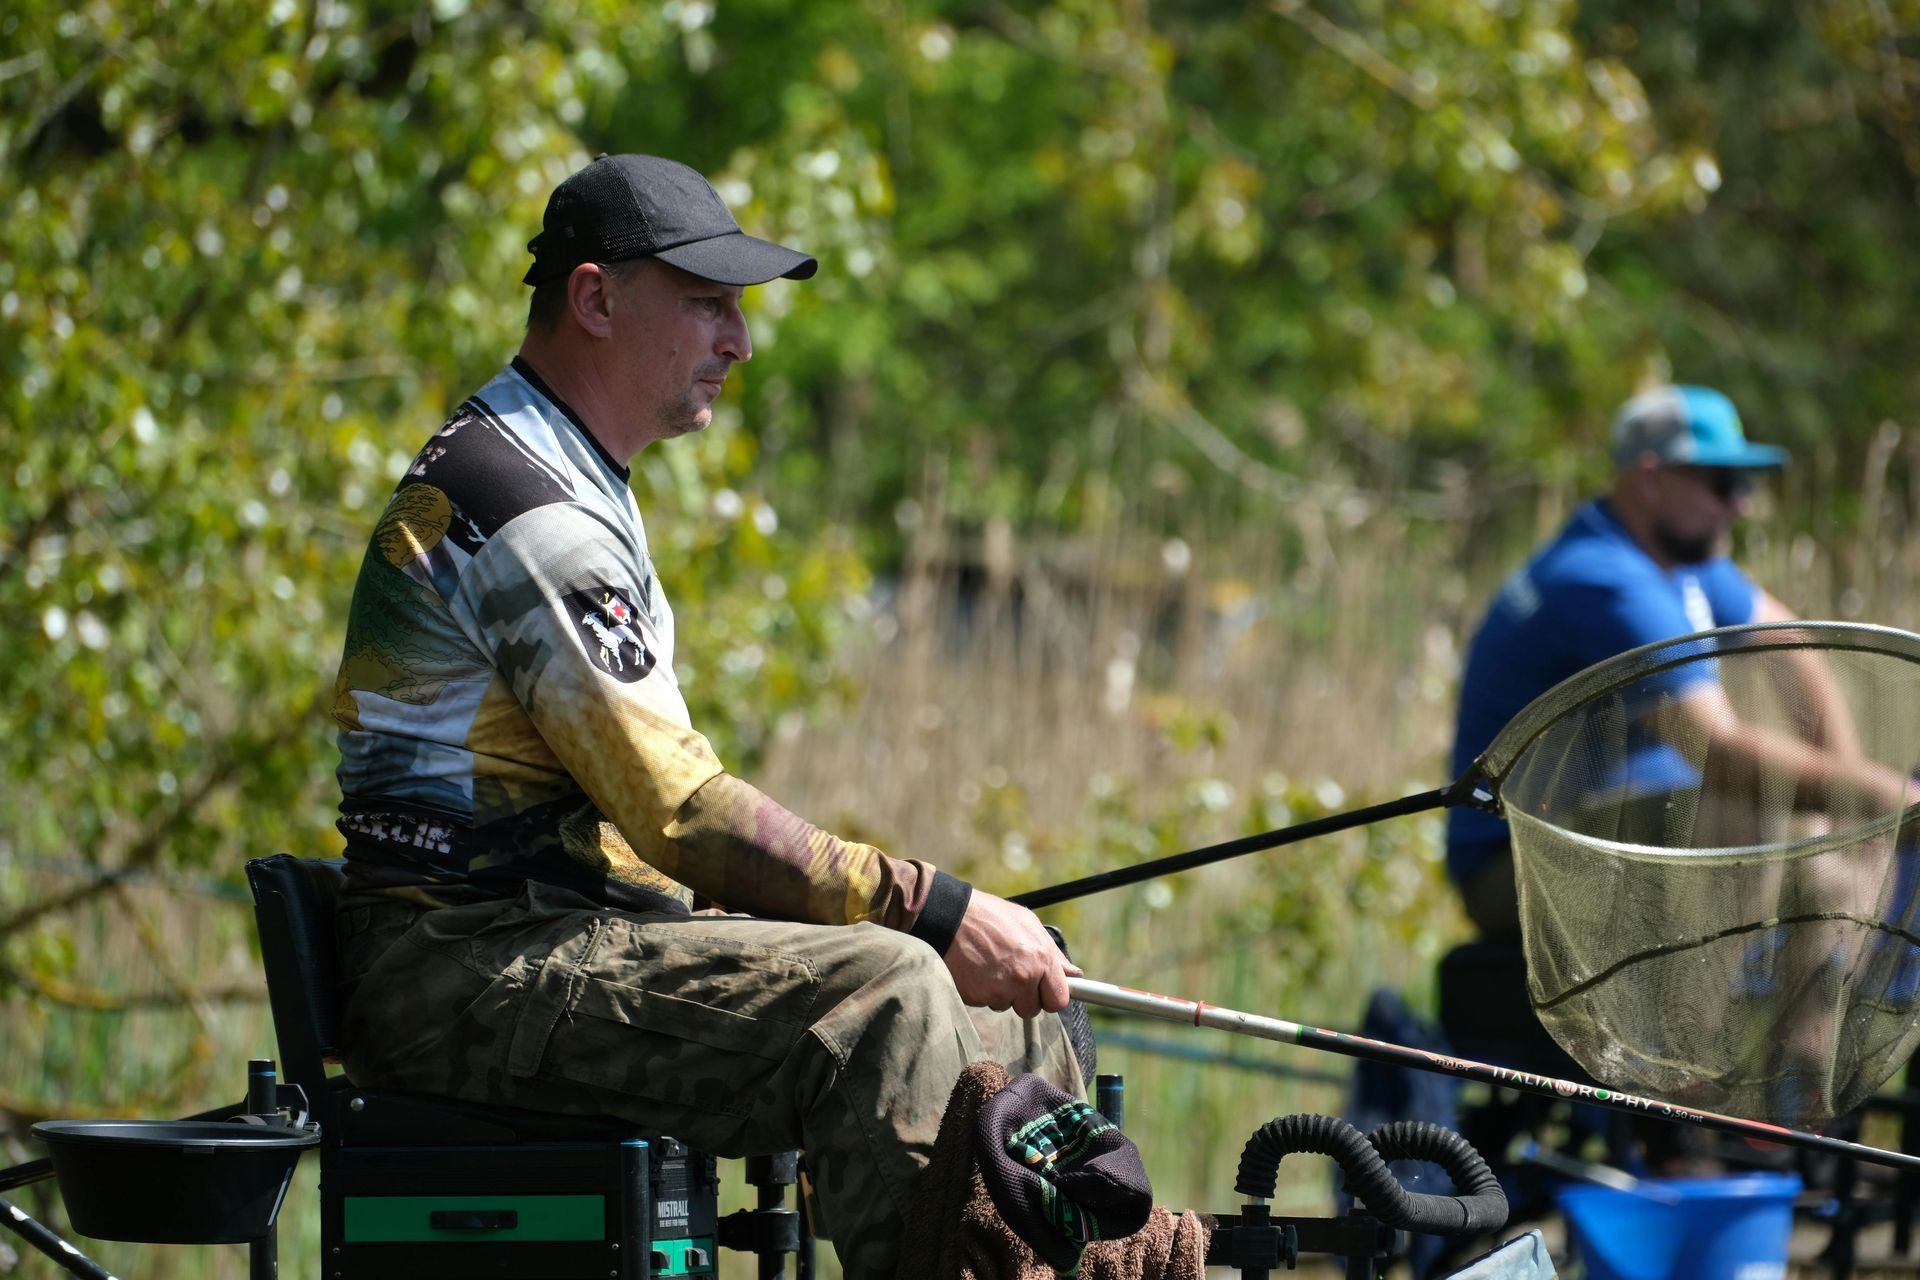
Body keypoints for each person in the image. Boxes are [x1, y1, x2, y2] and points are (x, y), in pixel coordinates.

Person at [327, 153, 1083, 1278]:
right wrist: (931, 905)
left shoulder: (564, 472)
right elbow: (682, 816)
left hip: (559, 940)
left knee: (1017, 1006)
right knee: (888, 992)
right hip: (464, 965)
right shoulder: (529, 511)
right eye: (706, 304)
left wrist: (940, 927)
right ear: (594, 298)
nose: (739, 340)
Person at [1446, 385, 1799, 940]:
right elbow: (1722, 753)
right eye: (1724, 483)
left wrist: (1856, 810)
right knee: (1743, 813)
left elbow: (1796, 649)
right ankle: (1692, 1029)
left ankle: (1795, 1028)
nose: (1742, 503)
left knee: (1827, 860)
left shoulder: (1683, 556)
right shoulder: (1604, 580)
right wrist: (1887, 801)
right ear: (1653, 478)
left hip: (1614, 834)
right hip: (1515, 864)